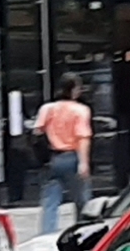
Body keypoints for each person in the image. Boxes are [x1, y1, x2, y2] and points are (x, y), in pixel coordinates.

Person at [35, 74, 93, 235]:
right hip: (72, 157)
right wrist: (84, 162)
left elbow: (37, 132)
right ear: (74, 90)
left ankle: (47, 235)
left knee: (50, 202)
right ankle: (82, 233)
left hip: (52, 158)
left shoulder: (47, 109)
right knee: (81, 201)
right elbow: (82, 138)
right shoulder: (81, 110)